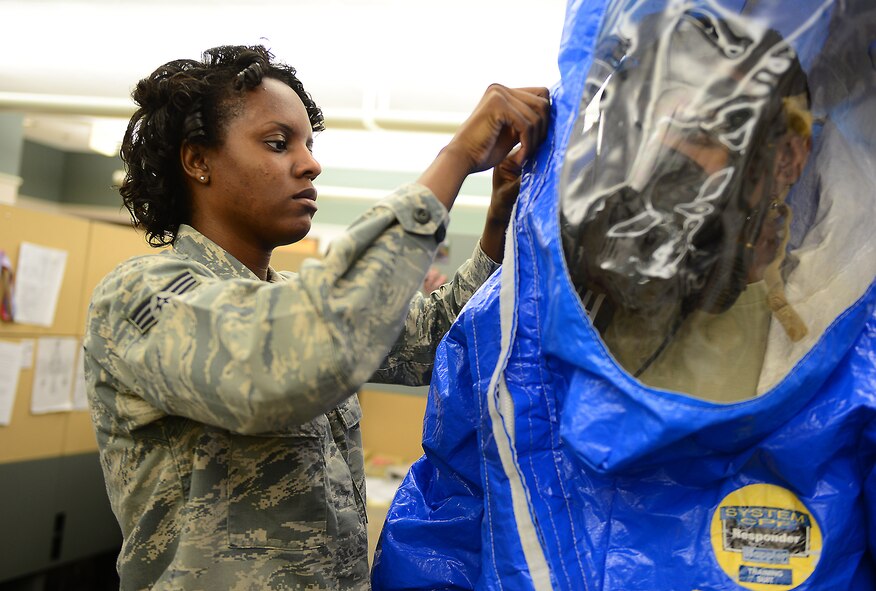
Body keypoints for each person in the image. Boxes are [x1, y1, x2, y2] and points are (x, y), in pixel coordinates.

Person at [372, 2, 876, 589]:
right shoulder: (514, 326)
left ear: (787, 157)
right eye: (642, 130)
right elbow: (440, 537)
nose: (663, 160)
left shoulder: (849, 347)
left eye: (701, 131)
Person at [82, 44, 549, 590]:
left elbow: (432, 338)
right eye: (278, 143)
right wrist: (456, 157)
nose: (310, 163)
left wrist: (497, 224)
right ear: (198, 161)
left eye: (308, 144)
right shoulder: (139, 296)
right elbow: (285, 361)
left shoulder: (289, 296)